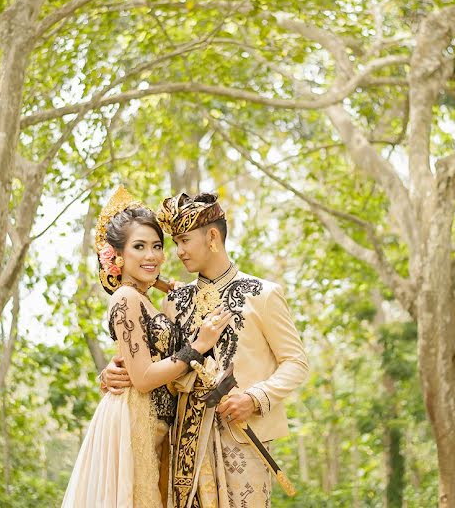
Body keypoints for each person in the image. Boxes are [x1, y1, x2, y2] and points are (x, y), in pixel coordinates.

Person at [104, 191, 309, 508]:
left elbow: (296, 363)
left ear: (212, 236)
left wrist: (255, 398)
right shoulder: (174, 300)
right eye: (174, 243)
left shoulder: (263, 294)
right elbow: (154, 361)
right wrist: (112, 371)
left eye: (184, 240)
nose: (178, 252)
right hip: (183, 442)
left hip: (241, 438)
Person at [61, 186, 232, 508]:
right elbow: (142, 378)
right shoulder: (125, 299)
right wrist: (198, 346)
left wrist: (162, 284)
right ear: (118, 256)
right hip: (133, 417)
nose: (151, 255)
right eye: (139, 247)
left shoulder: (144, 299)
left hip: (157, 421)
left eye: (157, 246)